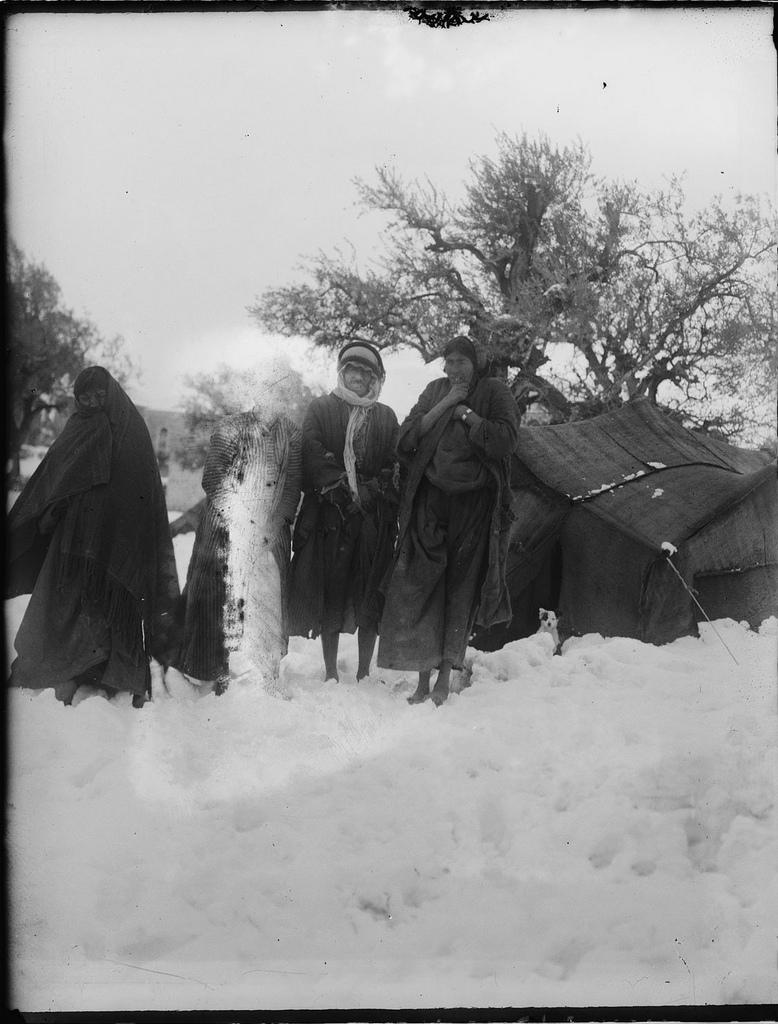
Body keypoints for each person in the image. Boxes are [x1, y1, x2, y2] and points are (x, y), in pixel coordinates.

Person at [6, 366, 180, 707]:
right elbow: (57, 474)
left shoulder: (128, 430)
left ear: (110, 393)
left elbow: (140, 488)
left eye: (100, 395)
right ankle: (71, 669)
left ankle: (101, 674)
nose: (93, 403)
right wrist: (50, 512)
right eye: (84, 398)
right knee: (75, 601)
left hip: (112, 538)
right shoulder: (86, 425)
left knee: (101, 605)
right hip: (79, 536)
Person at [377, 336, 519, 705]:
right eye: (449, 362)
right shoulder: (435, 391)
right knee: (422, 585)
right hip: (430, 501)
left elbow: (505, 440)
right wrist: (447, 403)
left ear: (476, 363)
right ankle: (421, 679)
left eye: (461, 362)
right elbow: (405, 439)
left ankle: (443, 680)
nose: (454, 369)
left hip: (474, 506)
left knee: (460, 589)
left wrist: (467, 415)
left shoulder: (494, 392)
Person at [288, 342, 399, 681]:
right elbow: (311, 451)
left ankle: (364, 670)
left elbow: (394, 462)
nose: (358, 377)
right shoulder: (321, 408)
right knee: (331, 590)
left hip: (372, 517)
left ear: (375, 380)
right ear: (342, 372)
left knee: (370, 590)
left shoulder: (386, 417)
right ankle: (331, 670)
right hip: (330, 516)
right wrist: (341, 487)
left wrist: (370, 490)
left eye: (366, 373)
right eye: (353, 370)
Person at [174, 403, 302, 693]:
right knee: (217, 596)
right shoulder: (230, 427)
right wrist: (242, 520)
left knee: (265, 599)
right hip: (224, 526)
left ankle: (259, 675)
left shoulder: (291, 434)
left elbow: (292, 487)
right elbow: (213, 479)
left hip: (270, 532)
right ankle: (210, 671)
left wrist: (271, 525)